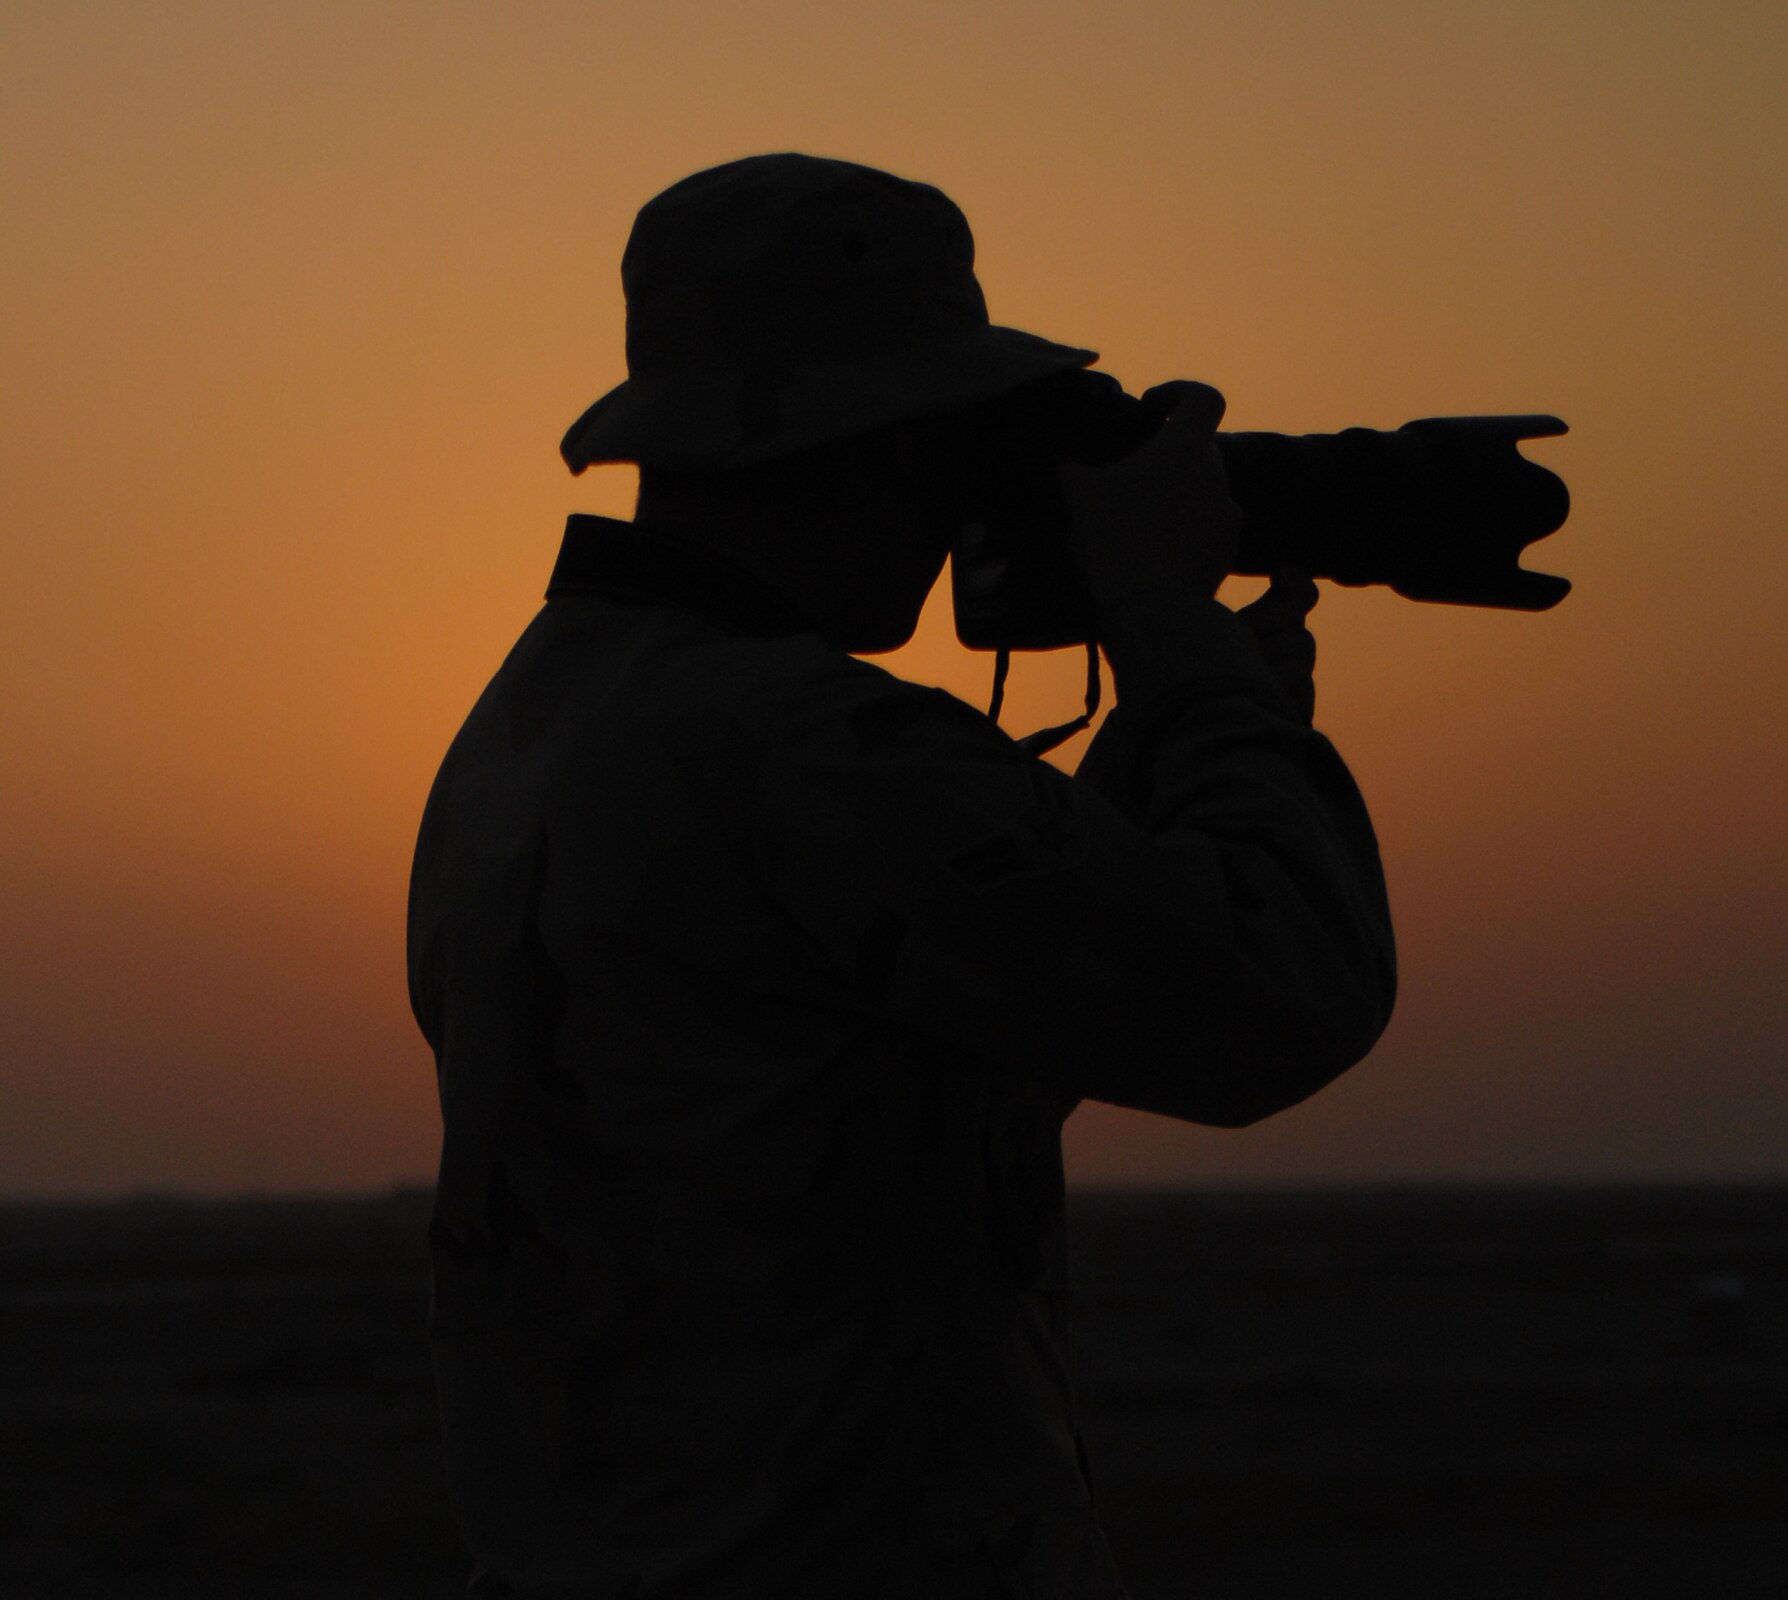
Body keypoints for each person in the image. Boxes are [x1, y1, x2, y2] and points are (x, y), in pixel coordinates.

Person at [406, 152, 1396, 1600]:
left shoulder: (538, 724)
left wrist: (1184, 731)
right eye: (952, 433)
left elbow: (924, 1044)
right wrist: (1181, 649)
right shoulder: (799, 745)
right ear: (851, 433)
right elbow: (1275, 989)